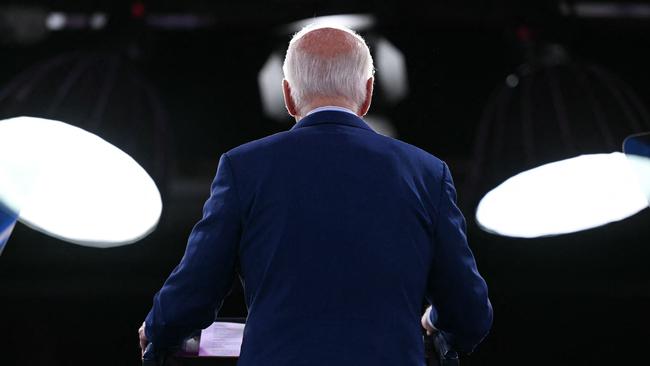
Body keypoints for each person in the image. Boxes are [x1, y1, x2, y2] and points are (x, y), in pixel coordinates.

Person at [139, 24, 493, 365]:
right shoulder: (428, 173)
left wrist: (159, 328)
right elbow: (470, 313)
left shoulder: (243, 168)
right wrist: (436, 320)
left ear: (289, 95)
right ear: (368, 93)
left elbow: (194, 291)